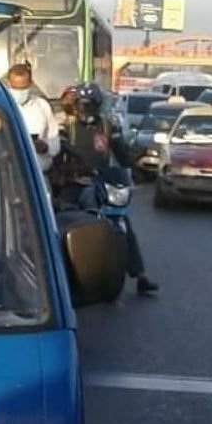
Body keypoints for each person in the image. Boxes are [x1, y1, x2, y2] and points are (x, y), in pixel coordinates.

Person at [60, 82, 160, 296]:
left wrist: (136, 162)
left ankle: (139, 275)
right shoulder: (66, 127)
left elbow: (121, 153)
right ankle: (59, 275)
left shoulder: (107, 126)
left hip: (102, 182)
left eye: (90, 105)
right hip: (73, 183)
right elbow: (57, 151)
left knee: (122, 222)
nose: (86, 109)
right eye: (82, 104)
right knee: (58, 221)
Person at [6, 63, 60, 175]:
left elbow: (54, 142)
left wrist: (45, 147)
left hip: (40, 173)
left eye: (23, 88)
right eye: (15, 88)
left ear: (30, 83)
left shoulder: (42, 106)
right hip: (11, 173)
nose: (19, 92)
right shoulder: (3, 106)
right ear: (8, 83)